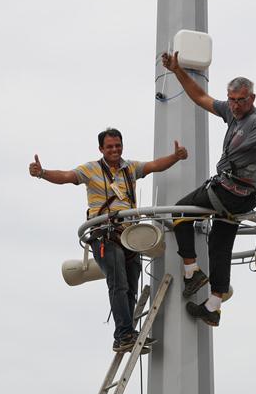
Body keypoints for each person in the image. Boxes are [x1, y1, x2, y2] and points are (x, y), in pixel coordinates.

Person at [160, 51, 256, 327]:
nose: (235, 106)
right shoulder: (232, 113)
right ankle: (213, 306)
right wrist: (177, 71)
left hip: (228, 192)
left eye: (241, 101)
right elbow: (201, 97)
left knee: (179, 213)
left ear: (252, 99)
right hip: (240, 199)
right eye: (233, 100)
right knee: (219, 246)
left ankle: (191, 270)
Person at [29, 128, 188, 352]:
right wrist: (42, 172)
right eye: (110, 146)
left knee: (131, 285)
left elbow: (154, 166)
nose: (114, 150)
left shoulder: (130, 168)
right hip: (105, 234)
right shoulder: (91, 169)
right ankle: (124, 334)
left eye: (118, 145)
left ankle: (124, 334)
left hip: (129, 237)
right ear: (101, 149)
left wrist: (175, 157)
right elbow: (66, 177)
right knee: (118, 282)